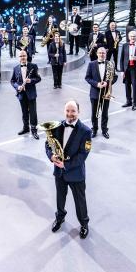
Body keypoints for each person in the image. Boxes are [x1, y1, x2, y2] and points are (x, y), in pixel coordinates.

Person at [47, 100, 93, 239]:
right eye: (67, 111)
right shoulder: (57, 126)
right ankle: (60, 217)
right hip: (59, 172)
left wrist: (66, 165)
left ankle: (84, 224)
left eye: (73, 111)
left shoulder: (86, 131)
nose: (70, 114)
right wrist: (51, 157)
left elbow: (83, 155)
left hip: (75, 173)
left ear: (78, 112)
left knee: (80, 201)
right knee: (60, 197)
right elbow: (48, 144)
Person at [85, 47, 117, 139]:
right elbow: (87, 78)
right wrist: (97, 84)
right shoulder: (91, 64)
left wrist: (108, 82)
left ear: (106, 54)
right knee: (94, 113)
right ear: (97, 54)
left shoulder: (110, 64)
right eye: (100, 53)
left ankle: (104, 130)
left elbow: (114, 76)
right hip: (95, 93)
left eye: (103, 53)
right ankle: (94, 129)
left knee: (105, 113)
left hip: (106, 92)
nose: (102, 54)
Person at [11, 49, 42, 139]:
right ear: (18, 58)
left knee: (33, 113)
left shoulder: (33, 66)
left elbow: (38, 78)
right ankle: (26, 128)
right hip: (21, 94)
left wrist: (31, 80)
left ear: (27, 56)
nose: (23, 57)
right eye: (21, 56)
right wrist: (17, 87)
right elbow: (12, 81)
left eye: (24, 55)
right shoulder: (16, 68)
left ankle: (34, 130)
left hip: (31, 94)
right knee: (24, 112)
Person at [119, 30, 136, 110]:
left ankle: (134, 103)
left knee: (134, 86)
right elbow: (121, 59)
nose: (133, 38)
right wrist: (122, 71)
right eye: (131, 36)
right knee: (127, 85)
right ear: (128, 37)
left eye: (134, 36)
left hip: (135, 69)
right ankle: (128, 101)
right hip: (126, 69)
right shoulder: (125, 45)